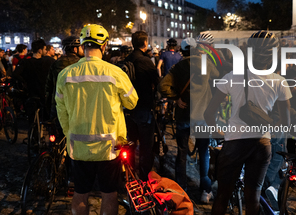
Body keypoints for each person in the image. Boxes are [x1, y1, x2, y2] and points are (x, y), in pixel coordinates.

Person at [204, 31, 291, 215]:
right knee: (253, 198)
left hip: (235, 141)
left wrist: (217, 132)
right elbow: (285, 122)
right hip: (261, 144)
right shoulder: (280, 82)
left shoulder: (232, 76)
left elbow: (208, 113)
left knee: (222, 195)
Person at [55, 24, 138, 215]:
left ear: (82, 45)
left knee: (80, 192)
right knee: (109, 194)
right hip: (109, 147)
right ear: (105, 45)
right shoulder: (115, 73)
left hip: (78, 145)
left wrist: (69, 134)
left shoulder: (65, 75)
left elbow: (62, 111)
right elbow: (132, 102)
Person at [158, 36, 220, 203]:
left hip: (184, 116)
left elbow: (162, 86)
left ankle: (181, 189)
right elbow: (219, 83)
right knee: (204, 153)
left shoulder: (179, 66)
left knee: (182, 153)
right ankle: (205, 191)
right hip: (203, 117)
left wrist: (176, 98)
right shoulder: (207, 64)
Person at [124, 30, 159, 181]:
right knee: (146, 147)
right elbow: (158, 82)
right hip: (144, 107)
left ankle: (130, 176)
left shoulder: (126, 60)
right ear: (145, 43)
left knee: (130, 144)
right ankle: (144, 179)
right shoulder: (146, 61)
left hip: (127, 109)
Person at [45, 36, 84, 120]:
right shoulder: (82, 64)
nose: (83, 49)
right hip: (78, 106)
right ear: (74, 49)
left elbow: (49, 86)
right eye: (80, 47)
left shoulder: (56, 63)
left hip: (58, 105)